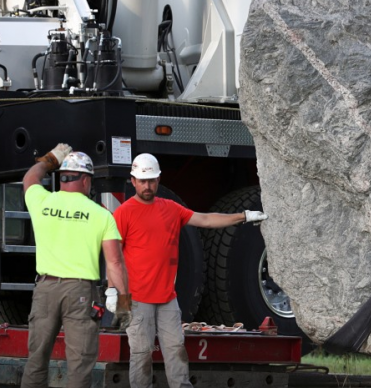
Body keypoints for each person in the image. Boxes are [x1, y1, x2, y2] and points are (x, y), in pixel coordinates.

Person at [111, 153, 267, 388]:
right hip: (137, 299)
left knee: (175, 350)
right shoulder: (123, 213)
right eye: (142, 181)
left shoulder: (171, 208)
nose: (147, 185)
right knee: (141, 355)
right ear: (133, 181)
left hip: (167, 299)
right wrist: (115, 295)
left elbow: (205, 220)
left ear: (159, 179)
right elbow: (113, 259)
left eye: (151, 180)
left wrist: (243, 216)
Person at [21, 144, 131, 388]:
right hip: (80, 294)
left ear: (62, 177)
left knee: (36, 360)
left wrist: (50, 160)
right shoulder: (101, 215)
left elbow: (30, 177)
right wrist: (123, 305)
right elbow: (114, 262)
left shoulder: (41, 202)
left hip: (45, 291)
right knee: (79, 364)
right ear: (84, 180)